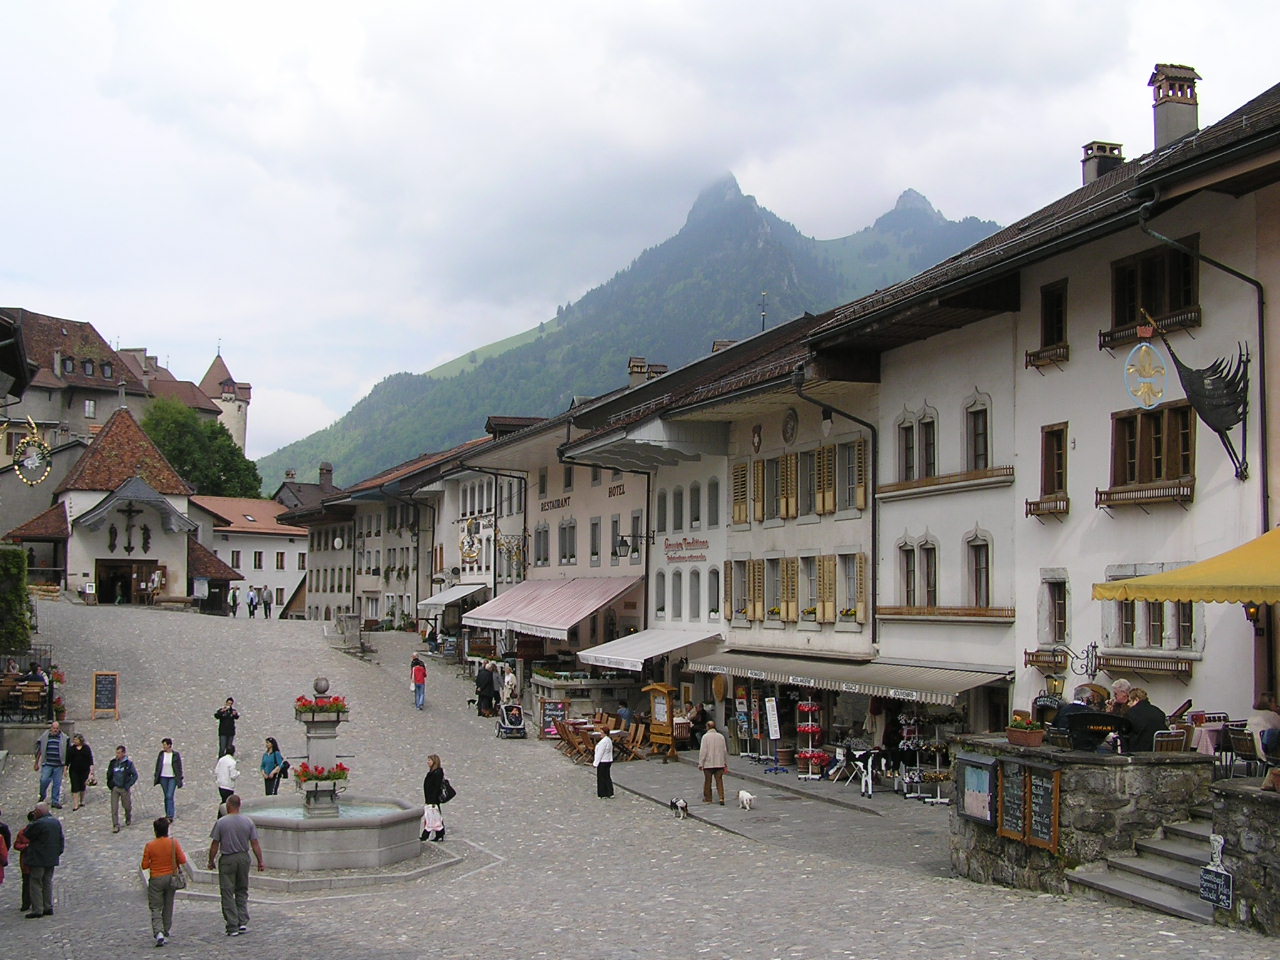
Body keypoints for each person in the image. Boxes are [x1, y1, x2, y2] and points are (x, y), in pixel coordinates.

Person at [207, 794, 265, 937]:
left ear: (228, 806)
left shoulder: (221, 822)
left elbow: (215, 844)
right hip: (243, 858)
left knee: (227, 892)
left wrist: (211, 860)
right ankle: (242, 920)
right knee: (242, 889)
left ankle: (232, 925)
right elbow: (255, 843)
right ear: (239, 806)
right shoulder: (248, 821)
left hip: (227, 859)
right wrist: (260, 861)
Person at [142, 816, 190, 947]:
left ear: (155, 831)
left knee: (155, 907)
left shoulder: (150, 846)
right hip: (171, 878)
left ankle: (158, 932)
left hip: (156, 878)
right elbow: (182, 859)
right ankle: (166, 931)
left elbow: (144, 865)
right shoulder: (174, 843)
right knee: (168, 905)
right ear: (167, 829)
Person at [24, 802, 63, 918]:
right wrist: (57, 853)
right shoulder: (55, 822)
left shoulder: (38, 824)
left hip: (38, 858)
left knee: (36, 882)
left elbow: (27, 833)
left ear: (38, 812)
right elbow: (61, 839)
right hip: (51, 858)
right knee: (47, 881)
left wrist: (32, 821)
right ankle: (48, 906)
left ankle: (38, 909)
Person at [33, 720, 70, 809]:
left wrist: (66, 766)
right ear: (51, 728)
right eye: (54, 728)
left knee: (57, 783)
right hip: (47, 763)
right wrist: (36, 763)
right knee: (44, 780)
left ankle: (55, 801)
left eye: (57, 728)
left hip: (59, 764)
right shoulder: (45, 737)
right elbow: (39, 750)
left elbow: (68, 752)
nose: (55, 730)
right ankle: (42, 795)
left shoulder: (64, 738)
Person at [1122, 688, 1168, 753]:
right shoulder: (1159, 712)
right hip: (1158, 750)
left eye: (1130, 701)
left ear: (1136, 699)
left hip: (1138, 751)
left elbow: (1125, 734)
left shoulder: (1130, 713)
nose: (1128, 704)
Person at [106, 744, 139, 833]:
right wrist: (110, 784)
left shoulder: (128, 764)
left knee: (127, 806)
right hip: (115, 788)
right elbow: (109, 773)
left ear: (124, 753)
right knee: (114, 808)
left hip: (124, 788)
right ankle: (115, 825)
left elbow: (135, 775)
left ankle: (128, 817)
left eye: (119, 753)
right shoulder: (113, 763)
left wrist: (128, 785)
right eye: (117, 753)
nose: (117, 755)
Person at [698, 720, 728, 805]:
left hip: (708, 763)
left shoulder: (705, 737)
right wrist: (725, 762)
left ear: (707, 727)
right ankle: (721, 797)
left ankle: (708, 798)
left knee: (708, 781)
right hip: (719, 763)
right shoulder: (721, 736)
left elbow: (703, 751)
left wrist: (701, 763)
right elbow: (724, 750)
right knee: (719, 781)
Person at [154, 739, 184, 821]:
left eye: (165, 745)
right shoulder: (161, 754)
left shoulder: (175, 755)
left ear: (169, 745)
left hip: (172, 777)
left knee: (169, 795)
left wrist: (180, 777)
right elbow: (158, 765)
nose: (163, 746)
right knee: (166, 796)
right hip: (163, 777)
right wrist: (156, 775)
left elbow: (179, 767)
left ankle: (170, 815)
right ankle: (167, 813)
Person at [66, 733, 96, 812]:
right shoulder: (71, 749)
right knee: (75, 786)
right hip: (74, 770)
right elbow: (67, 760)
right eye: (74, 739)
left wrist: (92, 770)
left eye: (76, 739)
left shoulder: (86, 748)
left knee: (82, 785)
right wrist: (65, 769)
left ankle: (81, 801)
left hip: (84, 770)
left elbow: (90, 759)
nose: (75, 741)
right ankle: (76, 804)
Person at [421, 754, 447, 841]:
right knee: (435, 817)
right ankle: (440, 833)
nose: (428, 762)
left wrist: (432, 800)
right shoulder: (433, 772)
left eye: (429, 760)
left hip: (433, 800)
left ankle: (426, 835)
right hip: (430, 799)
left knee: (431, 816)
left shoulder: (437, 773)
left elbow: (436, 787)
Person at [14, 810, 34, 913]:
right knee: (26, 883)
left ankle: (36, 902)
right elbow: (16, 845)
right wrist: (26, 846)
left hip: (35, 861)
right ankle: (26, 903)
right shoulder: (23, 832)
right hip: (26, 862)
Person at [594, 728, 615, 799]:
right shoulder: (609, 740)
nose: (600, 734)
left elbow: (600, 753)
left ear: (605, 733)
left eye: (602, 733)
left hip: (602, 761)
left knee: (601, 777)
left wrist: (595, 763)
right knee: (607, 777)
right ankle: (610, 792)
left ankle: (602, 793)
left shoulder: (603, 742)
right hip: (608, 760)